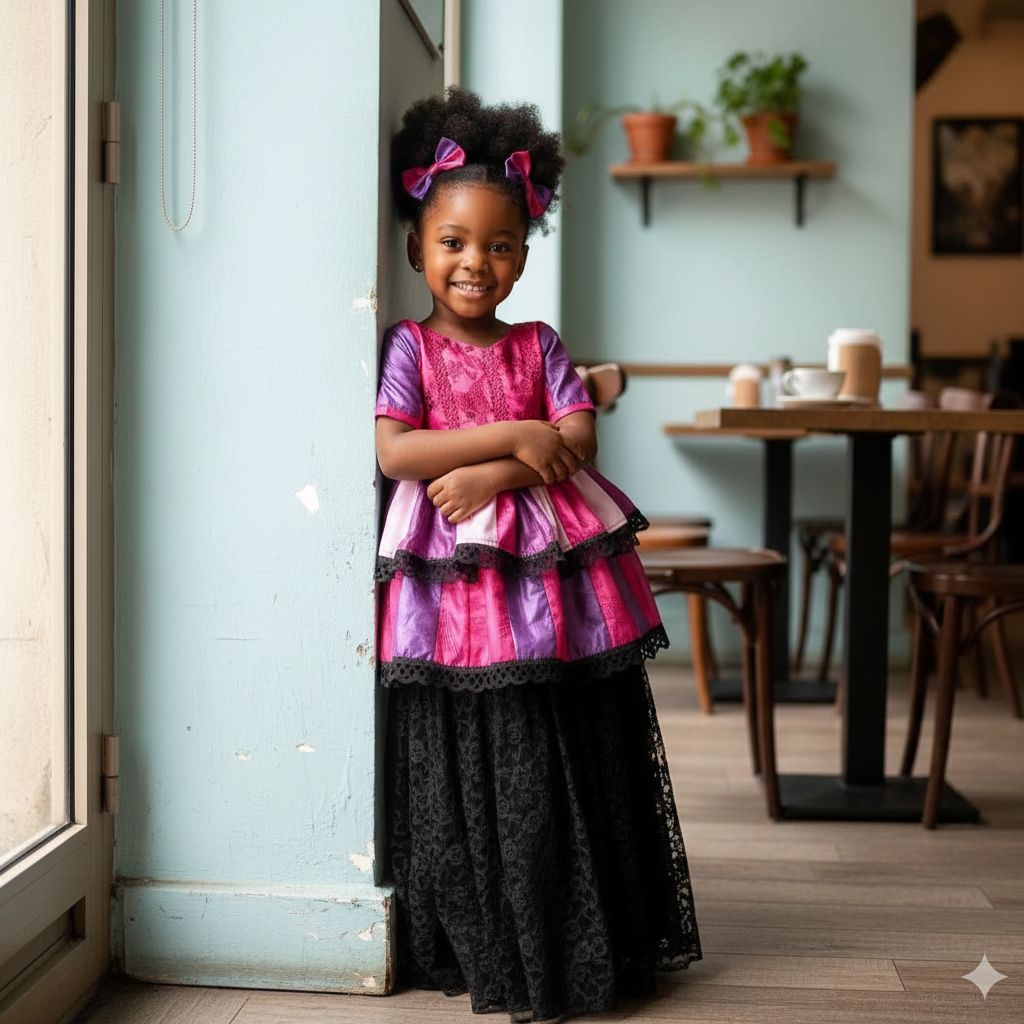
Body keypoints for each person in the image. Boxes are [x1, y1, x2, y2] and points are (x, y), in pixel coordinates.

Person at [375, 87, 701, 1023]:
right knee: (486, 744)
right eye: (453, 243)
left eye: (500, 246)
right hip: (458, 592)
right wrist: (514, 438)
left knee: (563, 732)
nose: (476, 263)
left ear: (522, 254)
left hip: (549, 577)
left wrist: (503, 468)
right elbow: (396, 452)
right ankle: (497, 938)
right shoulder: (410, 348)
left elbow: (578, 440)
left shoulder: (540, 342)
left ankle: (583, 930)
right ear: (417, 249)